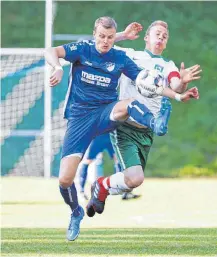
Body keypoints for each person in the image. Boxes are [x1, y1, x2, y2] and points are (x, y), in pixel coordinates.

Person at [45, 16, 198, 241]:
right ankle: (76, 211)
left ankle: (154, 122)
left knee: (128, 105)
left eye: (109, 37)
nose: (106, 41)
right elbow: (50, 50)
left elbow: (149, 84)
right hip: (79, 119)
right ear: (94, 34)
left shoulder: (122, 58)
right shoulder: (85, 49)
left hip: (107, 112)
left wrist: (177, 94)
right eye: (102, 36)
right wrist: (57, 67)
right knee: (65, 180)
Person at [86, 20, 201, 218]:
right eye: (157, 33)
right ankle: (101, 187)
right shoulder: (130, 55)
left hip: (146, 131)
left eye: (165, 36)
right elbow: (99, 44)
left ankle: (101, 186)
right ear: (146, 38)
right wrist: (122, 34)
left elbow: (175, 86)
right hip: (125, 126)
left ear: (166, 43)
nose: (161, 37)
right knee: (136, 178)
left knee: (132, 181)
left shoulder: (167, 65)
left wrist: (182, 82)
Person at [78, 133, 141, 200]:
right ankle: (81, 191)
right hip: (98, 137)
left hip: (110, 137)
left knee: (118, 160)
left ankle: (123, 191)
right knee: (88, 161)